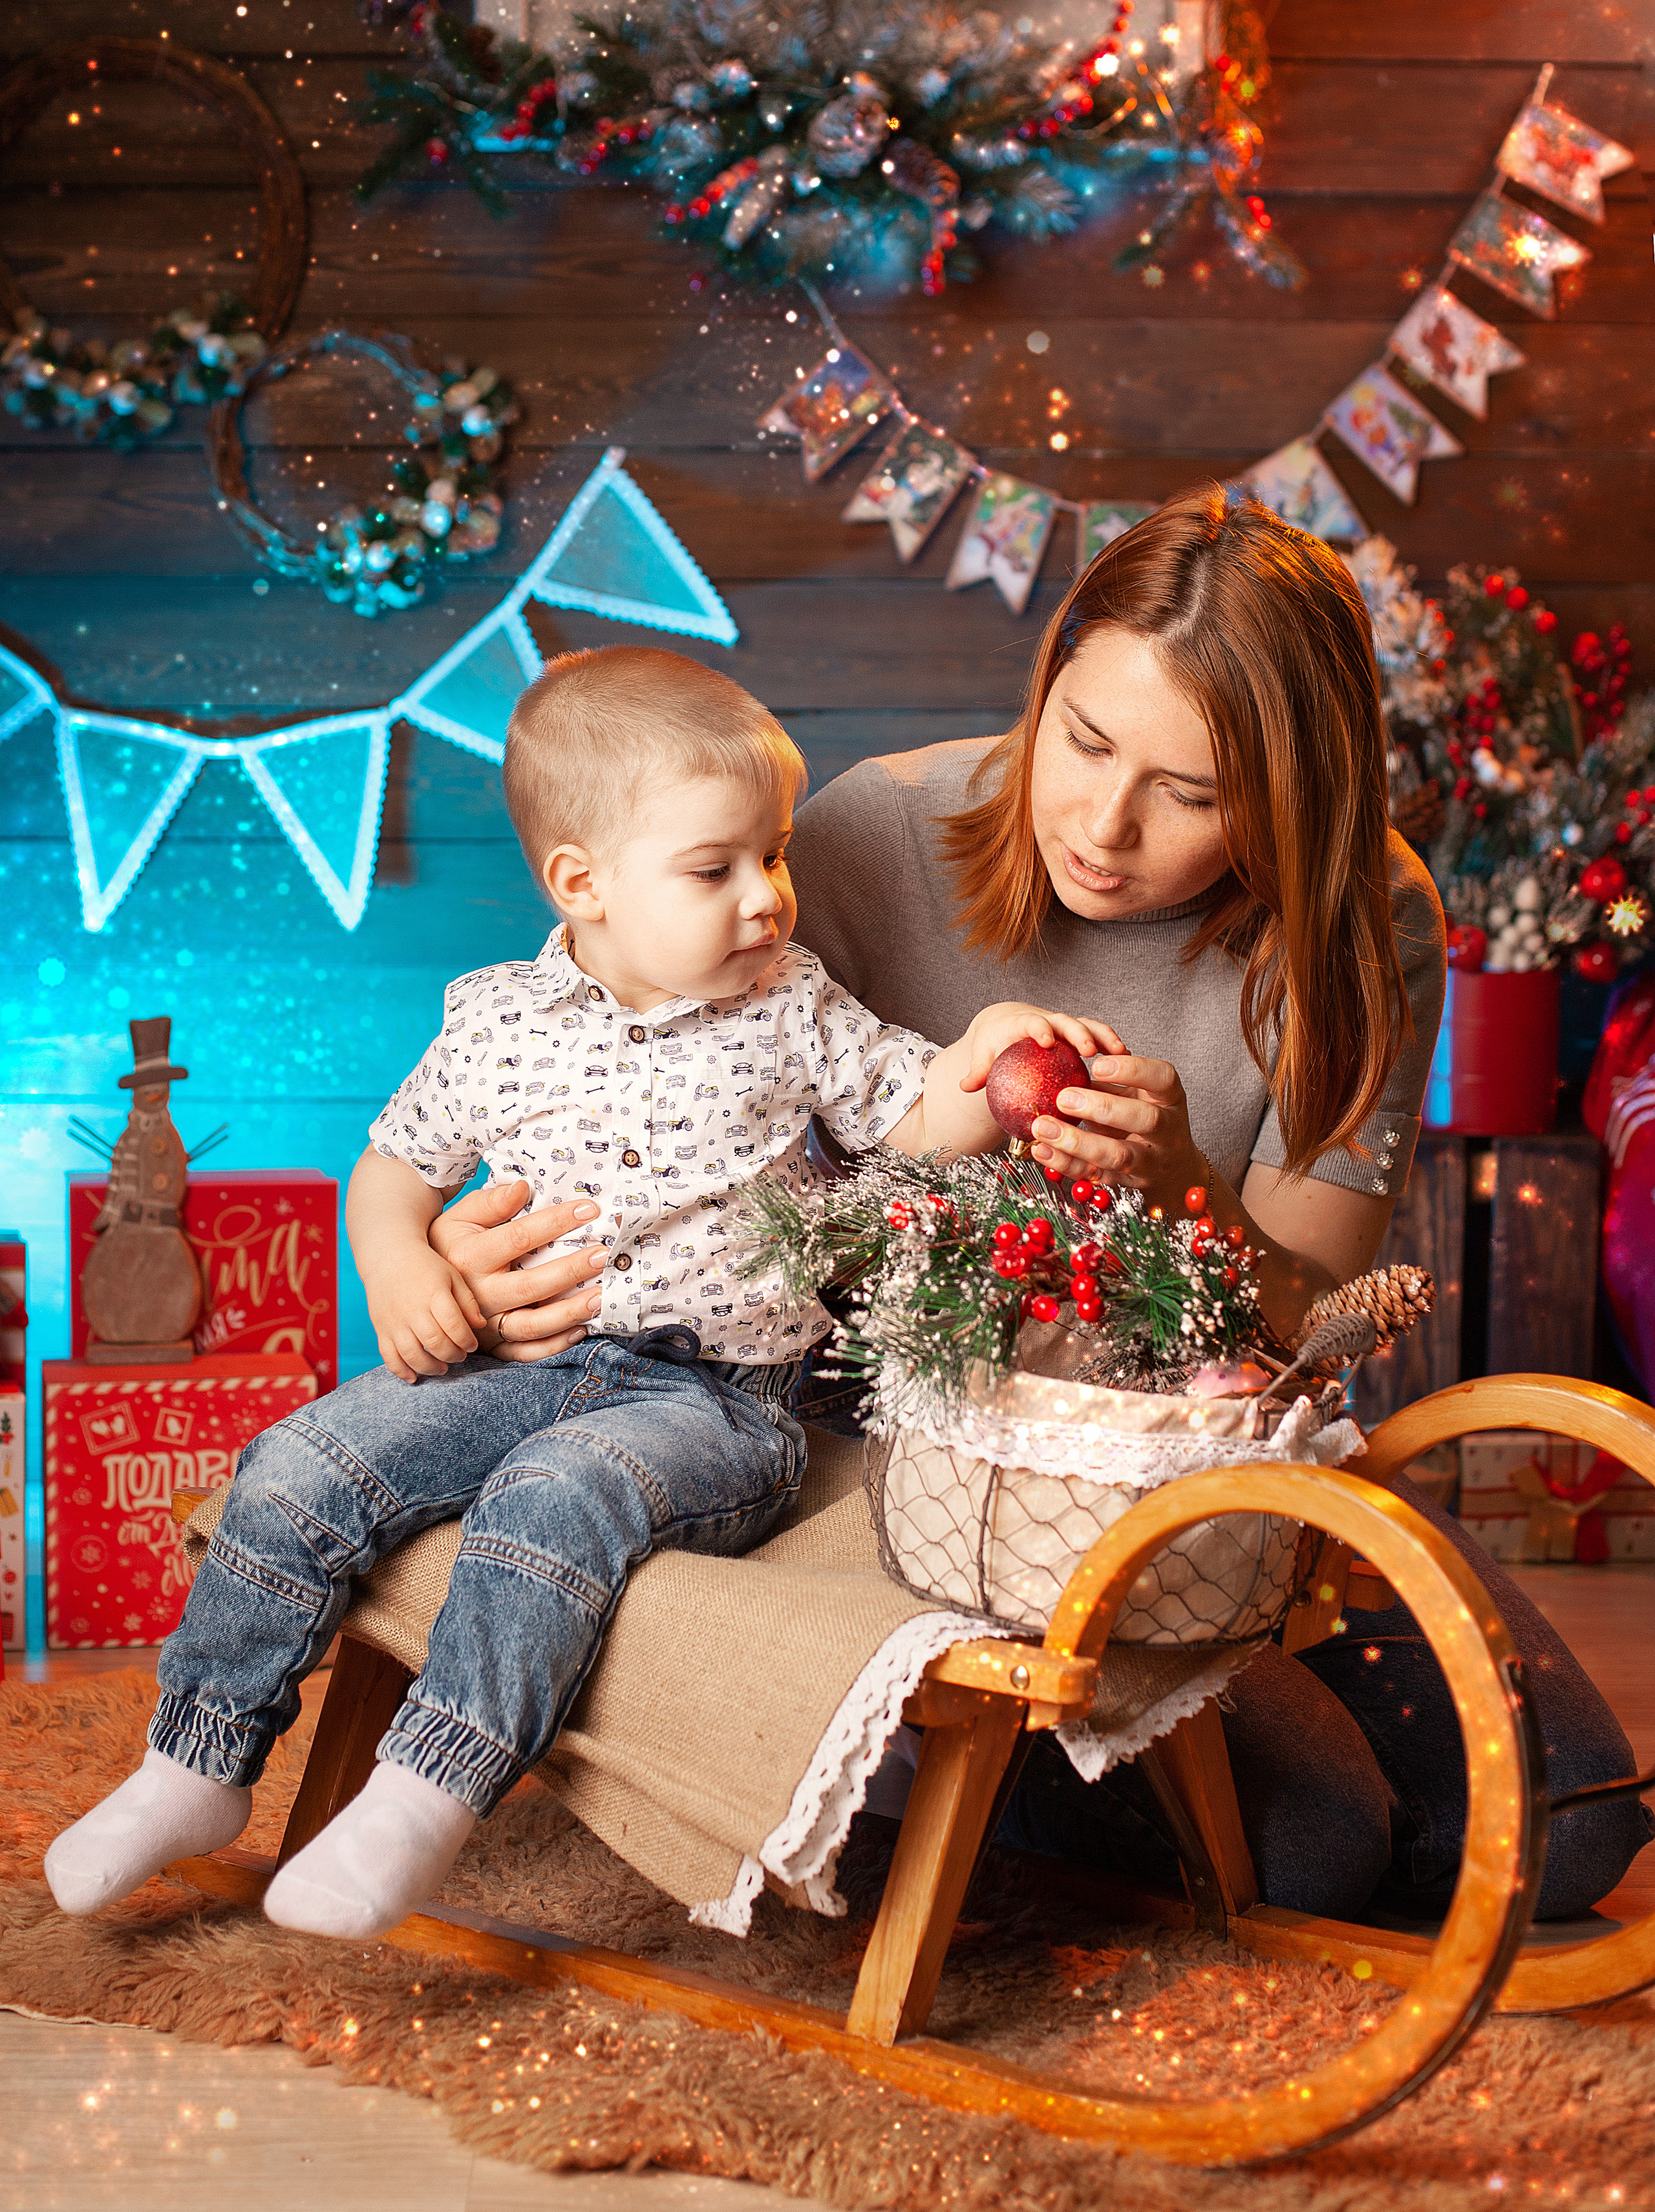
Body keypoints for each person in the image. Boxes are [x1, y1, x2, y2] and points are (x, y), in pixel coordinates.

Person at [45, 645, 1109, 1940]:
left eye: (773, 855)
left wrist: (986, 1056)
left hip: (716, 1403)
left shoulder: (791, 1006)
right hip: (516, 1364)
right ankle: (194, 1761)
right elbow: (389, 1173)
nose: (766, 897)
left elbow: (915, 1120)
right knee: (298, 1464)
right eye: (714, 870)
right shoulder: (497, 1022)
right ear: (581, 883)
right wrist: (400, 1265)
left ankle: (426, 1789)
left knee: (556, 1495)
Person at [784, 483, 1650, 1920]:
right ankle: (913, 1763)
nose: (1103, 826)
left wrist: (1185, 1189)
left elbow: (1312, 1318)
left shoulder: (1362, 916)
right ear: (1049, 679)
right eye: (1082, 740)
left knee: (1566, 1833)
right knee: (1316, 1850)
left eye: (1190, 795)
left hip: (1216, 1463)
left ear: (1288, 799)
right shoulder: (866, 839)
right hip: (935, 1478)